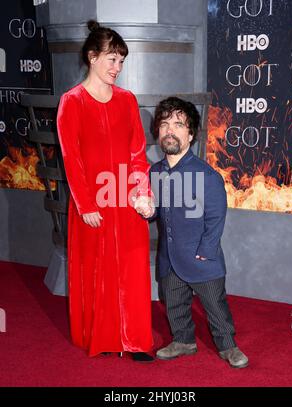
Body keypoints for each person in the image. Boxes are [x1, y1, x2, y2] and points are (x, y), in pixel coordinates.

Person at [57, 20, 154, 362]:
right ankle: (108, 337)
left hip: (124, 198)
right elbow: (72, 159)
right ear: (92, 57)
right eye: (112, 59)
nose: (118, 68)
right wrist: (85, 204)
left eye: (122, 61)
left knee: (132, 268)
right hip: (92, 203)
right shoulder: (72, 101)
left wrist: (142, 193)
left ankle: (137, 340)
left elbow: (137, 153)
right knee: (99, 269)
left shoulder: (128, 100)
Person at [149, 97, 248, 368]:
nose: (170, 130)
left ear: (190, 134)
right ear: (158, 131)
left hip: (202, 258)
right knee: (173, 301)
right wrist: (149, 211)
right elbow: (159, 210)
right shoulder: (155, 172)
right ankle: (183, 341)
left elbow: (216, 216)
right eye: (165, 124)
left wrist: (206, 251)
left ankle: (228, 346)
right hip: (169, 258)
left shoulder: (206, 174)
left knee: (215, 306)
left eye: (178, 125)